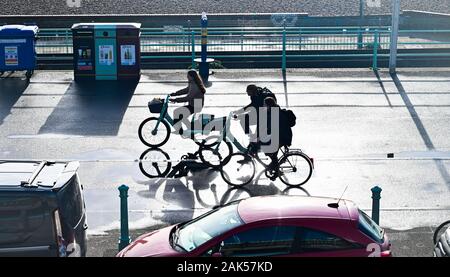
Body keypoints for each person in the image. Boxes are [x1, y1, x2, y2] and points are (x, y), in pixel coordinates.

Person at [259, 97, 296, 171]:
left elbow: (271, 128)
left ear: (268, 105)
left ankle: (276, 169)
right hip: (281, 136)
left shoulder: (275, 113)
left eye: (264, 105)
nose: (263, 106)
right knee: (271, 152)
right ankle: (274, 166)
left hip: (283, 137)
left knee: (268, 149)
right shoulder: (273, 111)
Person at [170, 70, 206, 135]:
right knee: (181, 115)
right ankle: (189, 129)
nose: (187, 77)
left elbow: (188, 98)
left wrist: (175, 100)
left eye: (188, 76)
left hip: (196, 106)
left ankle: (180, 131)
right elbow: (186, 90)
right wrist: (175, 94)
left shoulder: (194, 85)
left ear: (192, 77)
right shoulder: (192, 83)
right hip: (193, 104)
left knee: (177, 112)